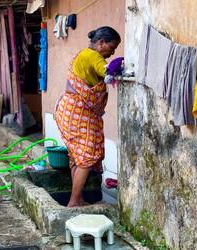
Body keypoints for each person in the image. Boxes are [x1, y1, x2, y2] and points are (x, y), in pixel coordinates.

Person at [54, 26, 121, 207]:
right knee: (86, 155)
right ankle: (74, 201)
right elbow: (106, 70)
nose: (112, 52)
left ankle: (78, 198)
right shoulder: (92, 56)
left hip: (70, 111)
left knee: (77, 156)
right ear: (101, 43)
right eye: (112, 47)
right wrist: (119, 66)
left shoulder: (83, 55)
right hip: (78, 112)